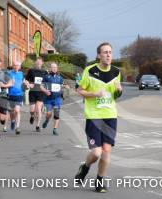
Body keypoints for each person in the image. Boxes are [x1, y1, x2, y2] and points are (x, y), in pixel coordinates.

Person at [74, 42, 122, 193]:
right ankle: (85, 167)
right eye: (105, 52)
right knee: (96, 152)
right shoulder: (90, 71)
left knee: (106, 151)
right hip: (94, 116)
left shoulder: (116, 71)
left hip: (110, 116)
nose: (108, 55)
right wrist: (94, 94)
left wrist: (119, 91)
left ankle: (100, 181)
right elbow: (79, 90)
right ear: (98, 55)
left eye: (110, 52)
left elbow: (115, 95)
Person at [40, 62, 70, 136]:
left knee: (56, 113)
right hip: (48, 99)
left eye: (55, 67)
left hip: (57, 98)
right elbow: (41, 86)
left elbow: (62, 85)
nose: (54, 69)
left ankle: (55, 129)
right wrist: (45, 91)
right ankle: (47, 121)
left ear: (57, 69)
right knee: (48, 114)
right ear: (50, 68)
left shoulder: (60, 78)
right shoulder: (46, 77)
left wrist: (66, 86)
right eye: (53, 67)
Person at [25, 57, 48, 132]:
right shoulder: (31, 71)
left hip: (41, 93)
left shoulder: (45, 72)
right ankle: (32, 116)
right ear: (35, 63)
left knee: (38, 109)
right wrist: (28, 84)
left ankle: (37, 126)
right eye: (37, 62)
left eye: (39, 62)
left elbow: (48, 82)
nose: (38, 63)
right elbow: (26, 80)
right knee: (32, 110)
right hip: (32, 92)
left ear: (42, 63)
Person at [7, 61, 28, 135]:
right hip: (10, 95)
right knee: (12, 111)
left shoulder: (22, 74)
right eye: (14, 65)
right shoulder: (9, 73)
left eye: (17, 65)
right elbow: (3, 80)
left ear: (19, 67)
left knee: (17, 111)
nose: (16, 67)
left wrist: (26, 84)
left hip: (19, 95)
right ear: (13, 66)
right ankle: (12, 121)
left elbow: (25, 82)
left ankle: (17, 127)